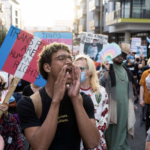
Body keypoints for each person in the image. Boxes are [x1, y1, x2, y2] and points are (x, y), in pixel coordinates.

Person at [17, 43, 100, 150]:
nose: (69, 62)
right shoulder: (28, 104)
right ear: (47, 67)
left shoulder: (83, 99)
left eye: (70, 58)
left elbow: (93, 143)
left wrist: (75, 99)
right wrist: (56, 101)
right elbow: (40, 146)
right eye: (62, 58)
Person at [100, 52, 136, 150]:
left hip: (125, 106)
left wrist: (132, 103)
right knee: (112, 131)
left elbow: (131, 89)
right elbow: (100, 84)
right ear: (112, 57)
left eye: (121, 56)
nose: (120, 57)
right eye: (117, 55)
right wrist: (106, 70)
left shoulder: (127, 70)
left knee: (123, 129)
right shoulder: (108, 69)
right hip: (112, 106)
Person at [74, 54, 109, 150]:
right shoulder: (70, 92)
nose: (77, 71)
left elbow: (104, 117)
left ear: (89, 71)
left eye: (81, 68)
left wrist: (95, 137)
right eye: (75, 68)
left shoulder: (101, 92)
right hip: (74, 143)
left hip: (95, 143)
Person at [139, 67, 150, 132]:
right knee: (148, 124)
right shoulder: (145, 73)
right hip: (148, 103)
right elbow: (142, 86)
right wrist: (141, 99)